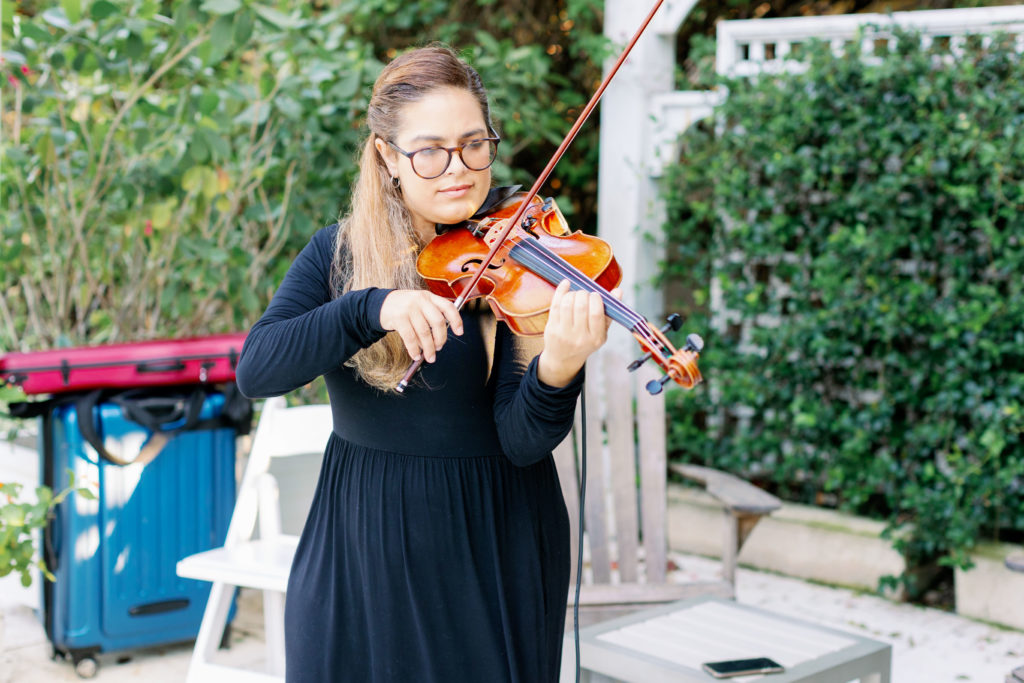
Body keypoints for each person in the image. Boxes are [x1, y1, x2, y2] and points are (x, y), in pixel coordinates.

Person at [234, 44, 614, 682]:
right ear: (387, 157)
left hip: (491, 541)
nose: (457, 169)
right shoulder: (341, 254)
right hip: (362, 536)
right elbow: (258, 370)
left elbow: (522, 441)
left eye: (474, 144)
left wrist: (561, 366)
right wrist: (368, 310)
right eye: (429, 149)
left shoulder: (521, 259)